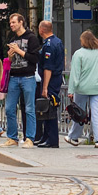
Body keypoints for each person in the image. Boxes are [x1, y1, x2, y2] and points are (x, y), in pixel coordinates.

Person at [0, 13, 38, 147]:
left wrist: (19, 51)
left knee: (29, 108)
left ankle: (30, 138)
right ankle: (12, 137)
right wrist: (10, 57)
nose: (11, 25)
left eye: (14, 22)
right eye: (10, 23)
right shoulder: (12, 38)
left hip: (28, 77)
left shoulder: (31, 38)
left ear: (21, 22)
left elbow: (34, 58)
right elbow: (10, 61)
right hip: (14, 77)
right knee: (10, 108)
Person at [66, 30, 98, 147]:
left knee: (79, 114)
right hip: (97, 87)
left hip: (82, 88)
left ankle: (74, 137)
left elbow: (75, 74)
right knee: (97, 113)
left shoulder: (79, 54)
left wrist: (71, 90)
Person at [35, 20, 64, 148]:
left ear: (41, 30)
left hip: (51, 79)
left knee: (49, 107)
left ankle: (52, 139)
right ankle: (46, 136)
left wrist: (45, 87)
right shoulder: (57, 41)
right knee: (46, 107)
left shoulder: (49, 45)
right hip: (55, 78)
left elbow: (48, 68)